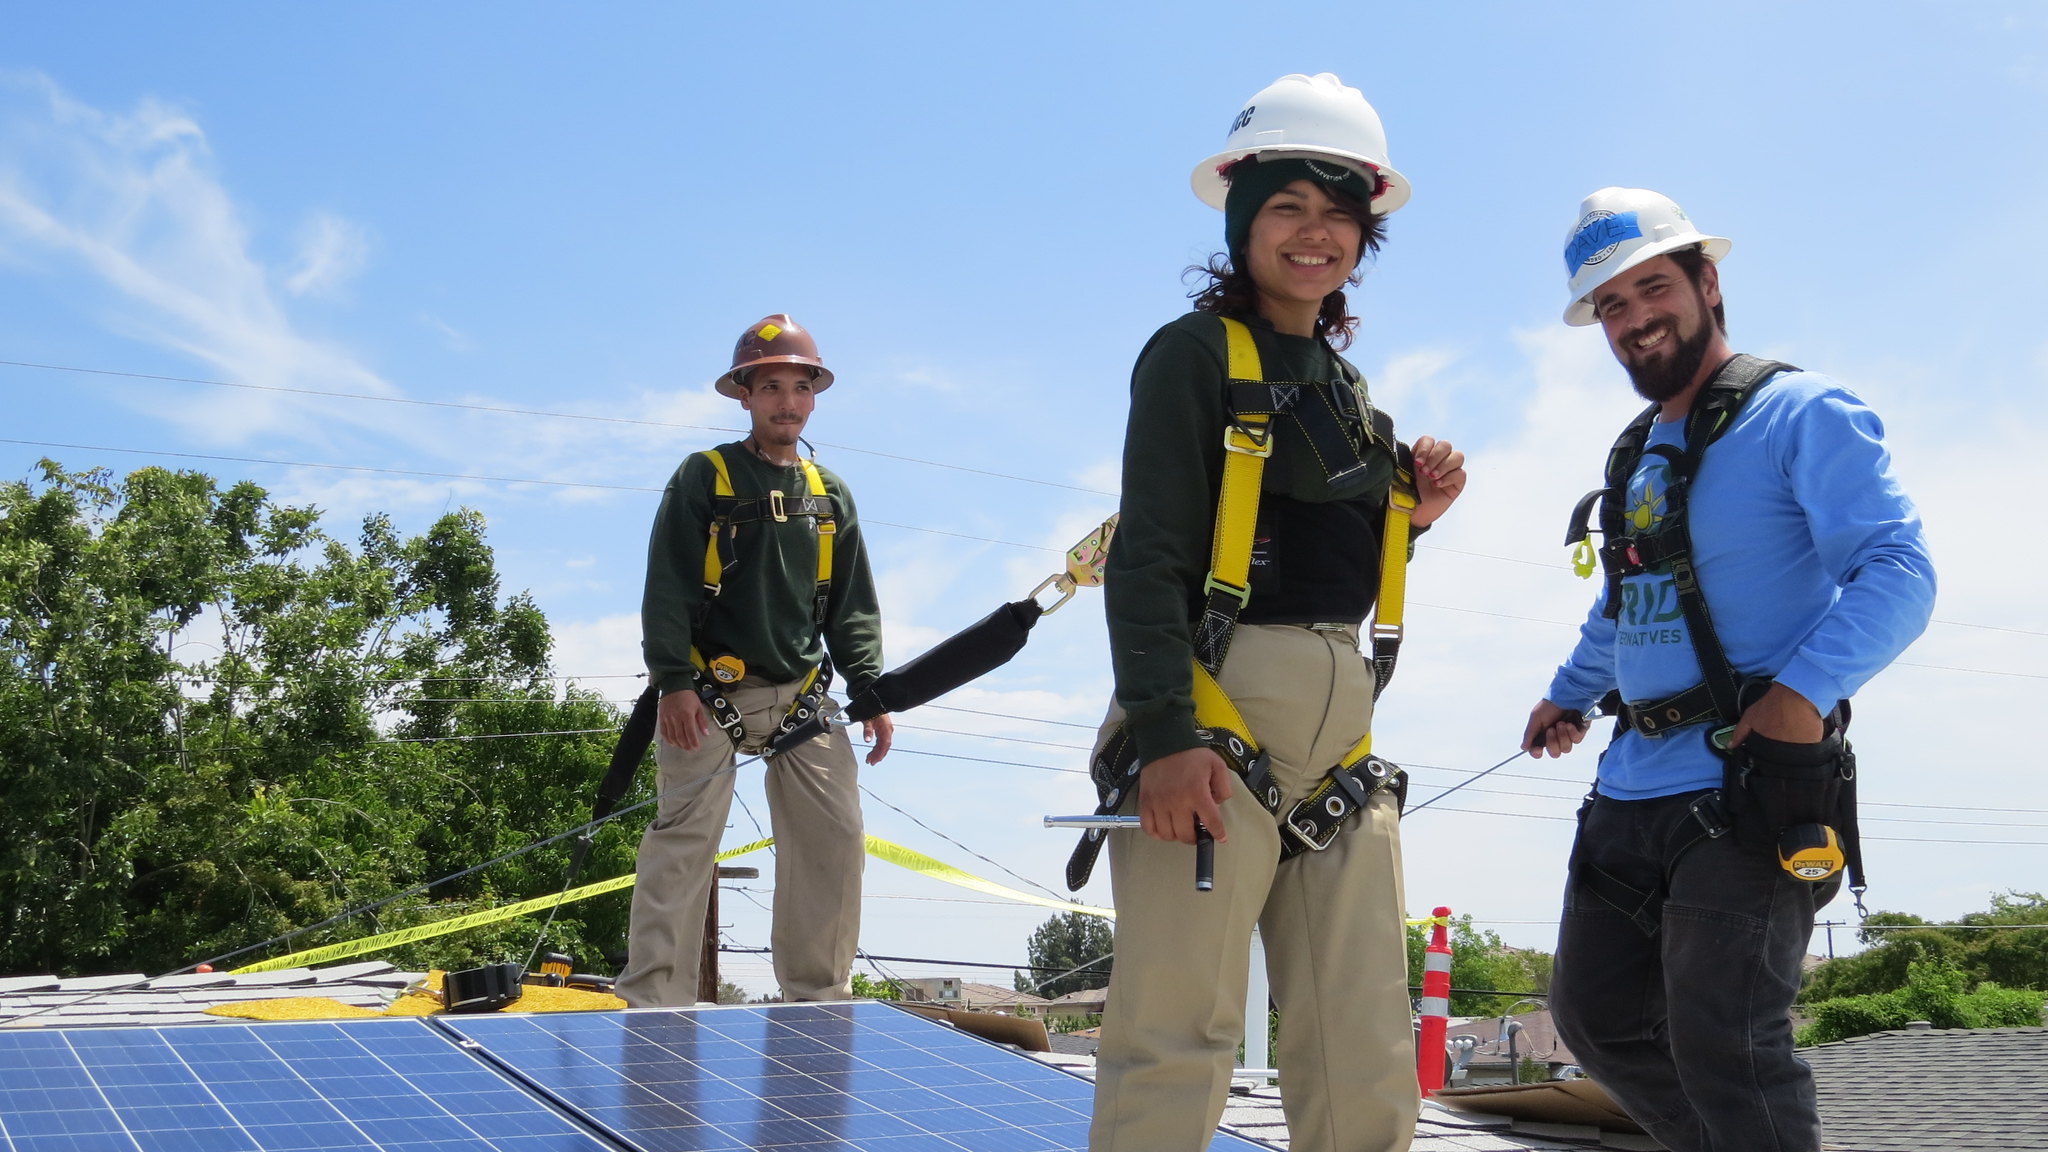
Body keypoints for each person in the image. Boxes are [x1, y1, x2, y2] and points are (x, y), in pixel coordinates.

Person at [1088, 73, 1466, 1152]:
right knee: (1176, 1030)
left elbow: (1308, 558)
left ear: (1364, 232)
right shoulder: (1194, 354)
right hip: (1215, 712)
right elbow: (1151, 552)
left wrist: (1415, 522)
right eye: (1287, 209)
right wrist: (1162, 737)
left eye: (1336, 213)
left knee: (1361, 1044)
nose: (1314, 234)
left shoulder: (1350, 396)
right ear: (1241, 221)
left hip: (1339, 729)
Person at [1523, 188, 1936, 1151]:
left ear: (1708, 282)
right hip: (1632, 783)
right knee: (1596, 1019)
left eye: (1651, 288)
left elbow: (1900, 571)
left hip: (1749, 784)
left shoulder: (1803, 412)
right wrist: (1569, 692)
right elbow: (1626, 601)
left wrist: (1802, 695)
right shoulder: (1639, 453)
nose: (1633, 320)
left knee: (1727, 1040)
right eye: (1611, 307)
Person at [618, 313, 893, 1007]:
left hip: (801, 696)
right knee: (683, 843)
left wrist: (872, 691)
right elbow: (668, 586)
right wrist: (673, 684)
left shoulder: (829, 495)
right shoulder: (706, 478)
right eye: (772, 387)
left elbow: (852, 606)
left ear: (814, 396)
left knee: (836, 843)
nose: (788, 403)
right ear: (745, 393)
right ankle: (654, 1002)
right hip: (708, 691)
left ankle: (818, 1000)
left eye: (801, 388)